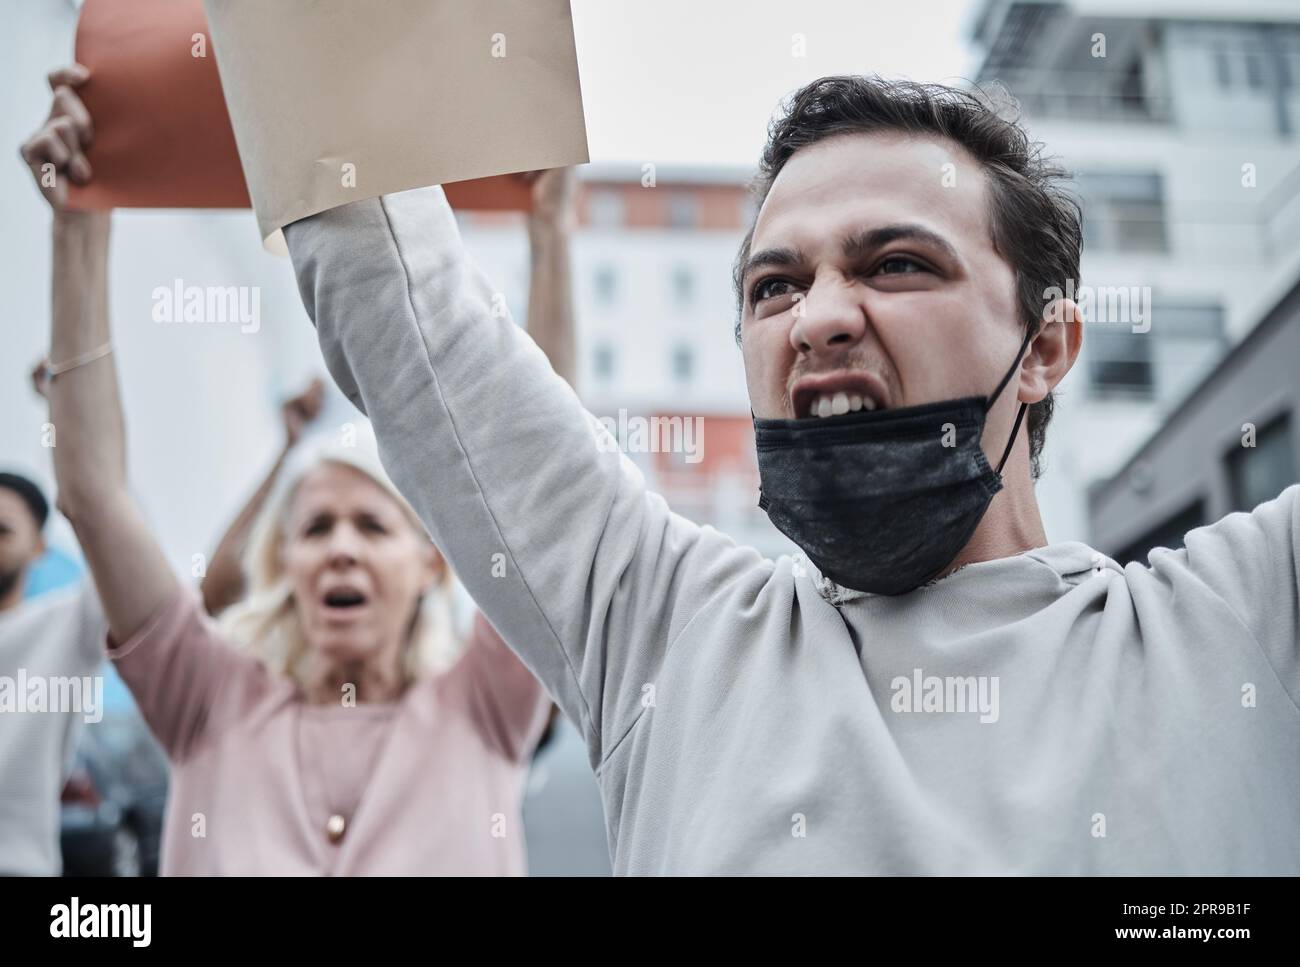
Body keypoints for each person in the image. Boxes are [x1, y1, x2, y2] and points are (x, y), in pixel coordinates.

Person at [273, 73, 1299, 874]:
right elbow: (399, 308)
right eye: (775, 286)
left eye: (895, 263)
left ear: (1045, 347)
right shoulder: (670, 631)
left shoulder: (1242, 618)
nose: (816, 320)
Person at [18, 65, 582, 874]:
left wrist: (550, 234)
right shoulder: (205, 697)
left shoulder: (487, 703)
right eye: (315, 526)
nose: (341, 546)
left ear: (432, 561)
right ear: (285, 562)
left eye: (372, 524)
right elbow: (94, 498)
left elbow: (545, 482)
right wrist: (78, 227)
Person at [0, 468, 106, 875]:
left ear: (39, 548)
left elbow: (119, 549)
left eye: (2, 528)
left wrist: (65, 406)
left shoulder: (66, 623)